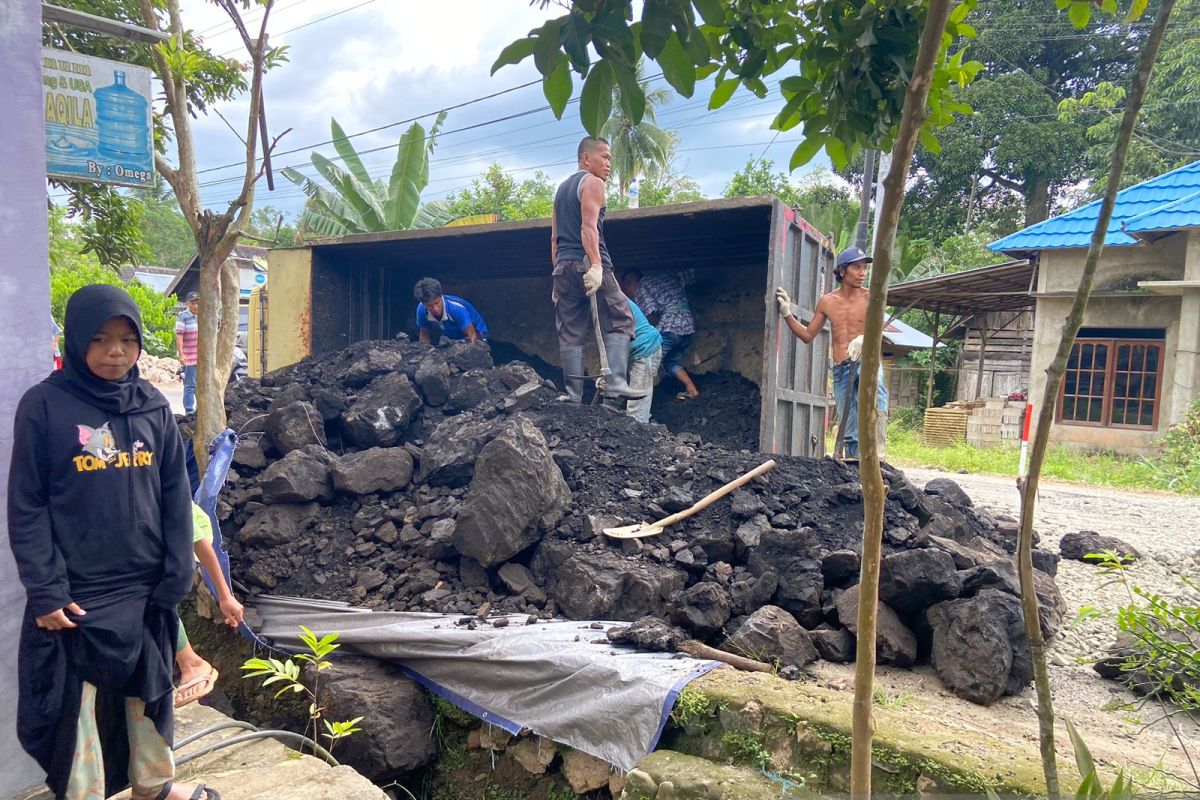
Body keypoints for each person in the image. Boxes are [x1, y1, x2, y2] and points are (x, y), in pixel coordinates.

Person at [8, 284, 219, 799]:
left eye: (126, 339)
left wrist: (176, 574)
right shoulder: (44, 407)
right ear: (79, 340)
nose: (115, 352)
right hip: (77, 592)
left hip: (145, 586)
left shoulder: (151, 405)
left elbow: (175, 496)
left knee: (148, 698)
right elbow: (28, 505)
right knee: (71, 714)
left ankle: (155, 788)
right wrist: (46, 589)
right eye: (100, 339)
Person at [774, 246, 888, 458]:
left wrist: (865, 338)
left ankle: (878, 453)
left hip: (867, 360)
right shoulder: (827, 301)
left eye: (865, 268)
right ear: (843, 271)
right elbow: (808, 335)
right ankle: (855, 464)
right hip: (841, 368)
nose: (863, 273)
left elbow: (880, 328)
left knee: (877, 395)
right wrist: (787, 313)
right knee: (849, 423)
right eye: (857, 267)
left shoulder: (871, 297)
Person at [551, 136, 639, 408]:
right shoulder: (592, 183)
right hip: (587, 262)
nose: (609, 164)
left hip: (563, 267)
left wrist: (556, 275)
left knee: (570, 329)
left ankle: (573, 396)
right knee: (620, 317)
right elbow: (588, 228)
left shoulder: (561, 190)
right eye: (605, 157)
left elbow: (554, 238)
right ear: (586, 159)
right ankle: (615, 384)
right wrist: (597, 266)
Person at [174, 502, 244, 708]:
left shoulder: (159, 491)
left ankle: (191, 663)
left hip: (185, 536)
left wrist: (225, 596)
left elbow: (199, 542)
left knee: (153, 597)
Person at [620, 269, 700, 400]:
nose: (629, 295)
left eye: (626, 291)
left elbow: (650, 315)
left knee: (645, 361)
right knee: (671, 361)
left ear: (630, 284)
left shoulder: (642, 287)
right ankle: (692, 390)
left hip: (670, 327)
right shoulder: (666, 276)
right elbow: (689, 275)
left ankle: (631, 398)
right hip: (688, 327)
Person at [413, 277, 488, 344]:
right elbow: (424, 333)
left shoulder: (456, 308)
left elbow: (472, 335)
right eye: (430, 306)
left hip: (475, 332)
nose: (435, 308)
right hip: (451, 334)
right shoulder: (421, 310)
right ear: (423, 304)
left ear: (441, 296)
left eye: (437, 303)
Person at [624, 299, 664, 423]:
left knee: (638, 400)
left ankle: (637, 432)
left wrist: (608, 372)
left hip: (645, 347)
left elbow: (616, 342)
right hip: (633, 349)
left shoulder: (612, 301)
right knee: (615, 396)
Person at [175, 291, 200, 414]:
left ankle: (199, 410)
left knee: (201, 386)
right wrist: (181, 354)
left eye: (197, 303)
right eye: (193, 303)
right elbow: (179, 335)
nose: (196, 306)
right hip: (189, 357)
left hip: (201, 357)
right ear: (188, 303)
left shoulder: (203, 316)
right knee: (190, 385)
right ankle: (189, 411)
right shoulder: (183, 316)